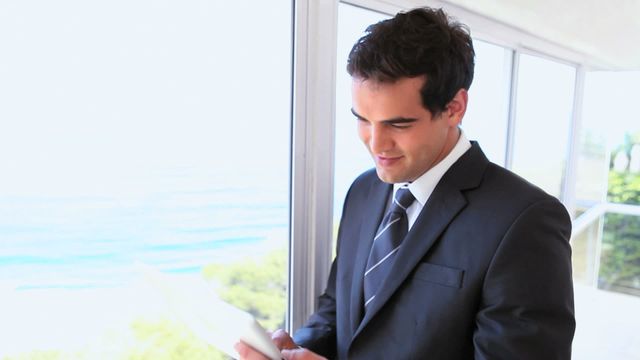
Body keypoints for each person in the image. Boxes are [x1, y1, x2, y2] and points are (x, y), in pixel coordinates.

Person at [238, 6, 575, 360]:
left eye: (398, 124)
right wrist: (297, 349)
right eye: (362, 119)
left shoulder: (526, 221)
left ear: (454, 107)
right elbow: (338, 308)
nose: (376, 143)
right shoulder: (364, 191)